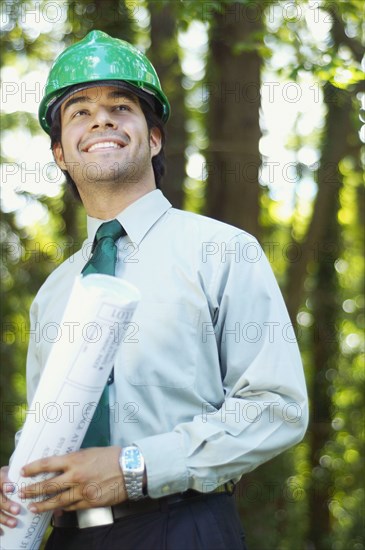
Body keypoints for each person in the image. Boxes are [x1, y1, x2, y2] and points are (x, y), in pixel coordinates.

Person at [0, 30, 308, 549]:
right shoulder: (53, 293)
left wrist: (134, 468)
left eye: (121, 107)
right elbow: (48, 422)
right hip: (66, 537)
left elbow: (276, 407)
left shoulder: (223, 250)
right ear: (59, 153)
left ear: (154, 138)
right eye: (79, 111)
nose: (101, 119)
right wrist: (17, 480)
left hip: (182, 527)